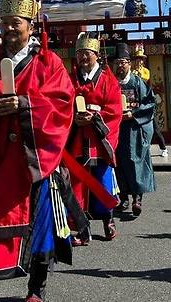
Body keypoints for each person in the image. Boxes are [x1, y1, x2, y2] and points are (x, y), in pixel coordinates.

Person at [0, 0, 76, 302]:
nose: (10, 28)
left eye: (16, 23)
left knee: (40, 229)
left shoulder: (48, 63)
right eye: (5, 23)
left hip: (36, 161)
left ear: (30, 25)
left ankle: (36, 289)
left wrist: (25, 105)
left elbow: (62, 105)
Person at [67, 32, 122, 245]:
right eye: (79, 53)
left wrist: (95, 118)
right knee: (77, 186)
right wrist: (74, 118)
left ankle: (109, 221)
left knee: (102, 183)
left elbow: (115, 111)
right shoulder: (71, 80)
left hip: (99, 142)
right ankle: (82, 230)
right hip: (78, 141)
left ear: (97, 55)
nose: (82, 57)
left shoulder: (108, 81)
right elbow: (62, 105)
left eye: (87, 53)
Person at [113, 42, 156, 216]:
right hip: (117, 129)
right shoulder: (111, 83)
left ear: (129, 64)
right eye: (117, 62)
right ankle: (123, 198)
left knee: (135, 161)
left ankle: (137, 199)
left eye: (123, 62)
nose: (120, 66)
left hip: (135, 130)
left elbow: (150, 103)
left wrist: (134, 114)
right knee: (118, 163)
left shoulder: (138, 82)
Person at [132, 43, 168, 157]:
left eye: (141, 60)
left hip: (146, 102)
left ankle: (164, 148)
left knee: (154, 127)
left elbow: (143, 79)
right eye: (137, 59)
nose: (139, 62)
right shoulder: (132, 72)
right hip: (135, 103)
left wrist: (137, 71)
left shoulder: (146, 71)